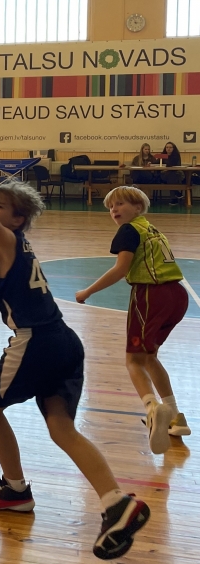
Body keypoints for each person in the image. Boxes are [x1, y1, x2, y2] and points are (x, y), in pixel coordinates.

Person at [0, 145, 150, 560]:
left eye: (0, 206)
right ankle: (116, 501)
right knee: (62, 429)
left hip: (35, 341)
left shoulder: (7, 239)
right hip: (64, 341)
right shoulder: (12, 244)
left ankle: (15, 491)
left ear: (18, 219)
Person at [75, 185, 191, 452]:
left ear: (138, 207)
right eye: (110, 207)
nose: (114, 210)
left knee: (133, 360)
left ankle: (152, 410)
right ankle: (175, 416)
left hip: (152, 295)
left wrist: (88, 291)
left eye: (120, 204)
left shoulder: (129, 230)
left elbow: (120, 269)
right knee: (149, 357)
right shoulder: (151, 229)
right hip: (177, 296)